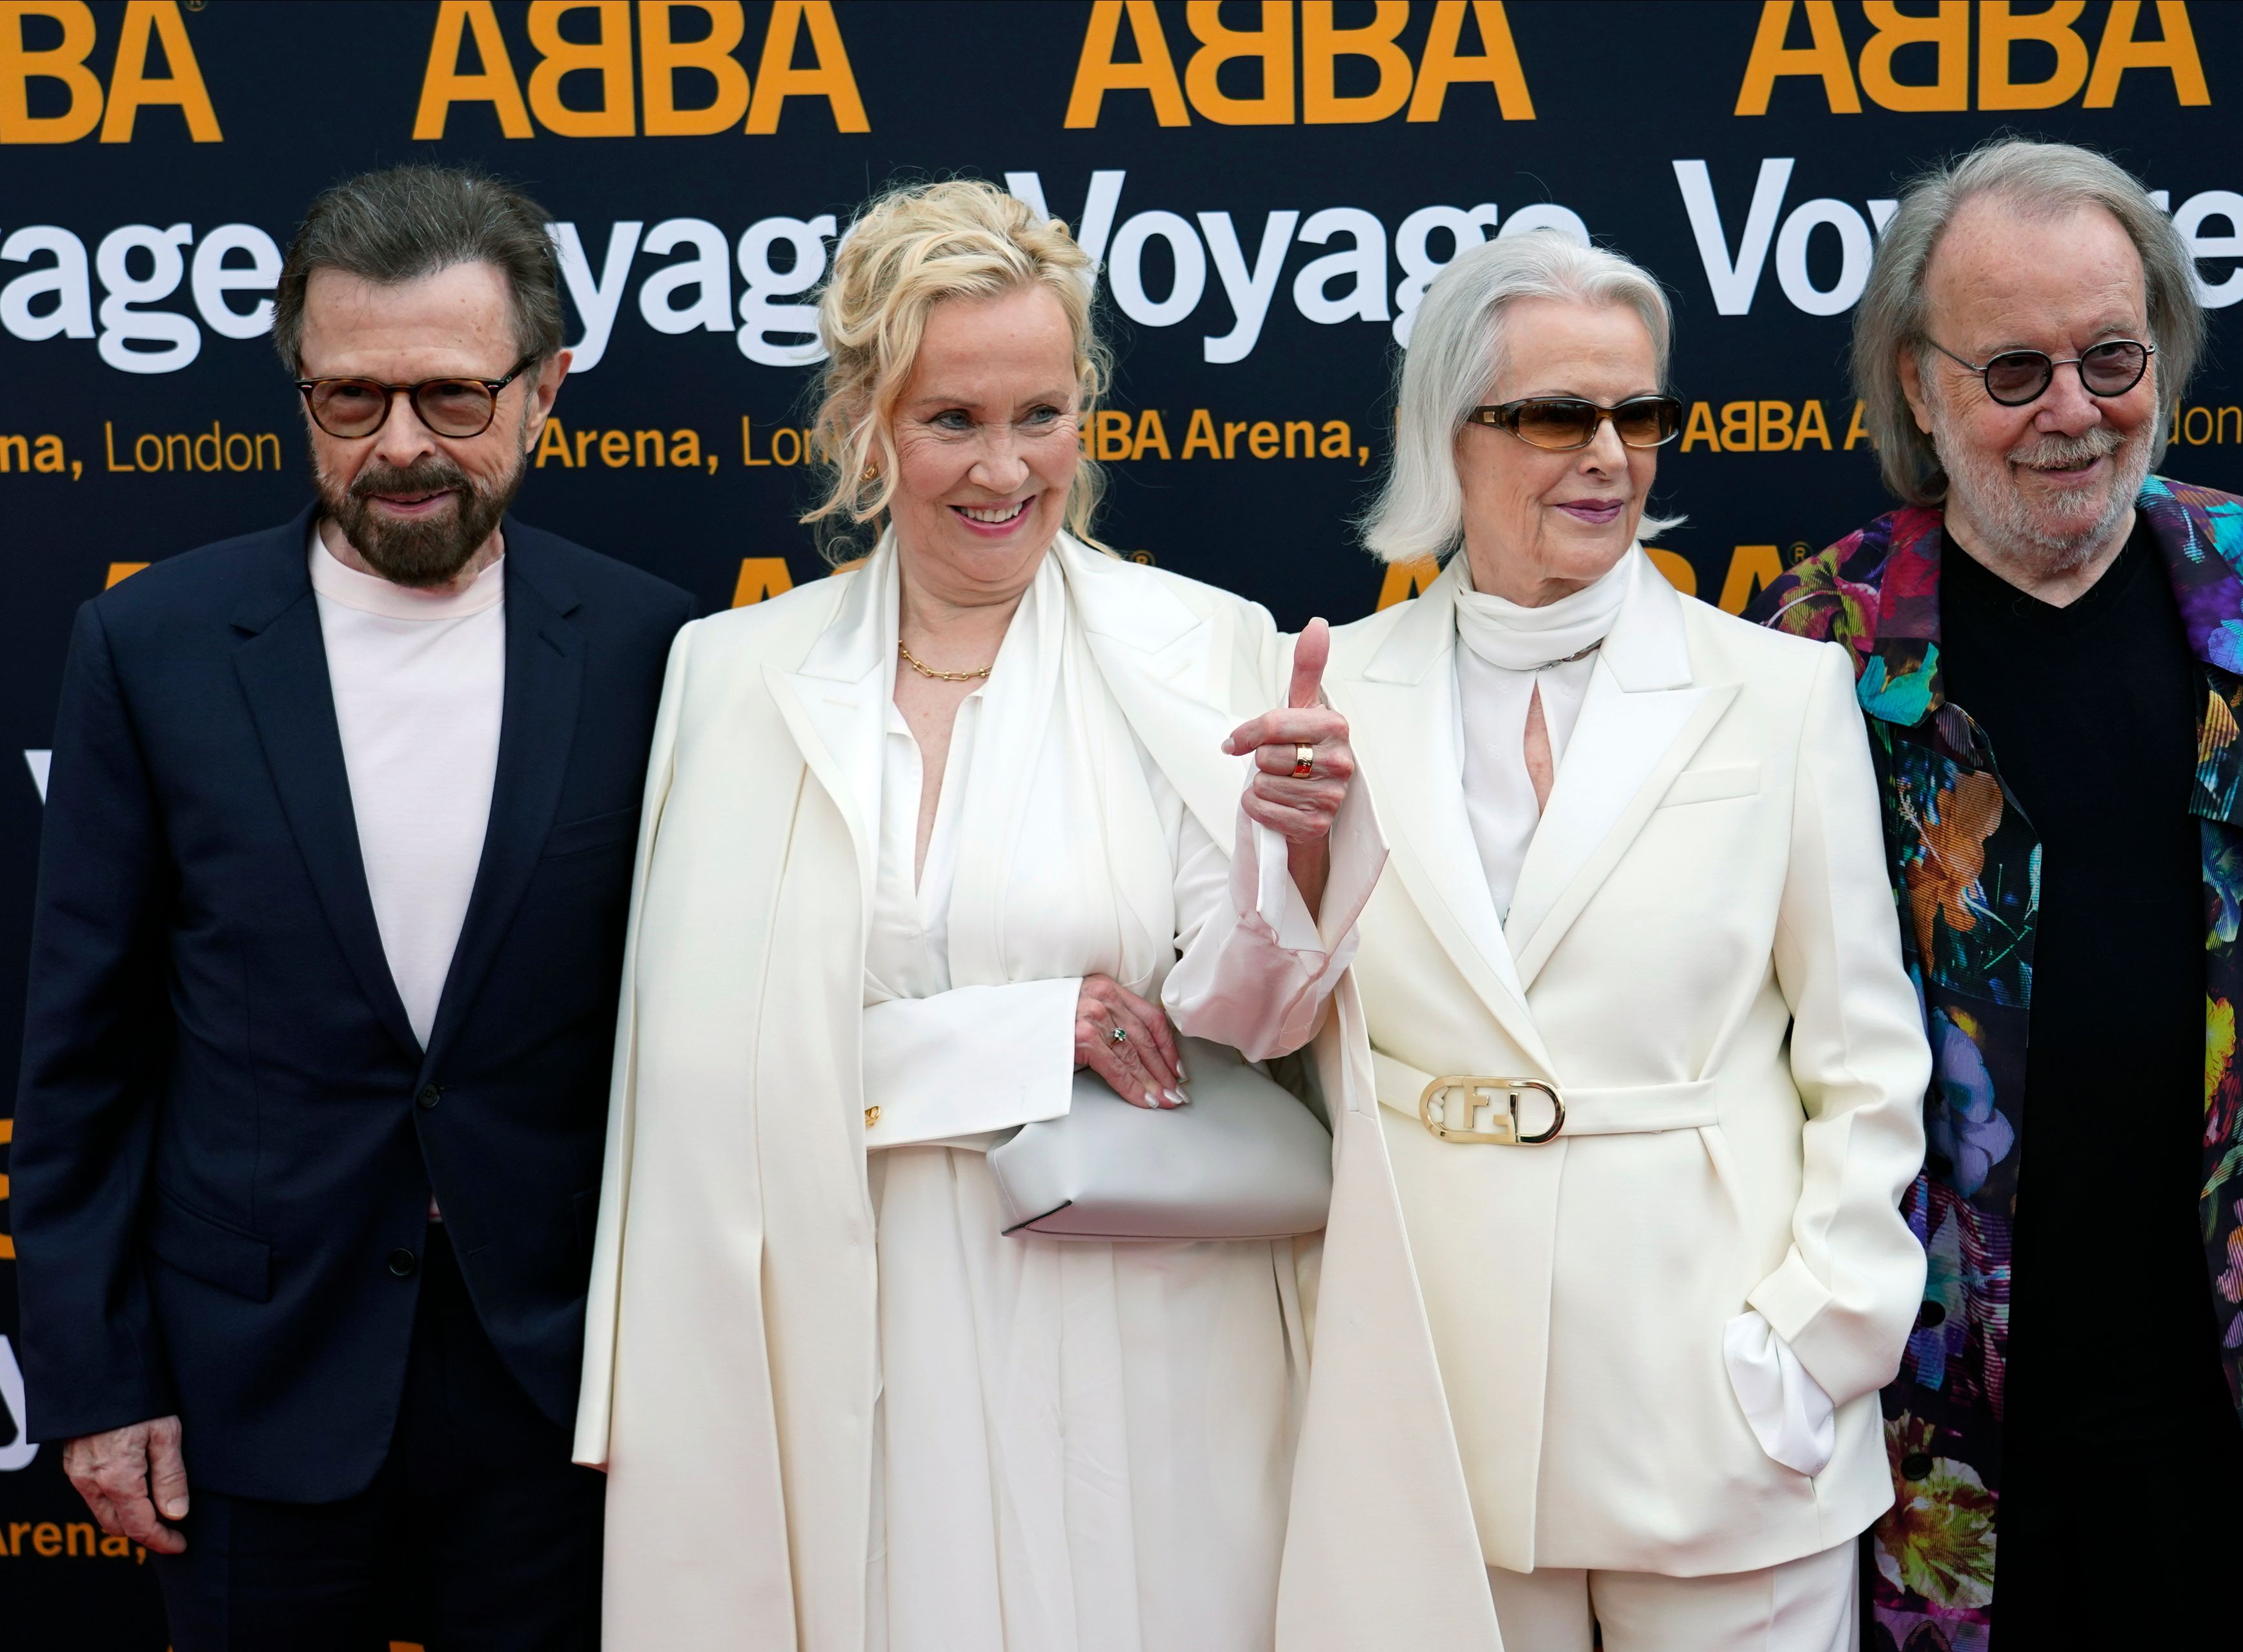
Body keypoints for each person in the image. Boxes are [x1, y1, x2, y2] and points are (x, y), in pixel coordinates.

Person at [575, 178, 1379, 1652]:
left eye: (1044, 413)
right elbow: (703, 1079)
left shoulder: (1206, 642)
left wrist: (1300, 854)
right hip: (867, 1333)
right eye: (952, 419)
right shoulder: (733, 675)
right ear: (866, 423)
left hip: (1160, 1334)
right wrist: (1025, 1032)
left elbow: (1251, 1028)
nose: (1005, 468)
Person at [1750, 137, 2243, 1651]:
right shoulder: (1815, 647)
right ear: (1916, 382)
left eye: (2111, 355)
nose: (2075, 411)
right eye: (2015, 370)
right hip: (1947, 1418)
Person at [12, 165, 695, 1649]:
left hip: (564, 1389)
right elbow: (86, 1052)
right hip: (254, 1376)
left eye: (452, 397)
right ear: (299, 387)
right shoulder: (152, 645)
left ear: (547, 387)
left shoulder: (661, 648)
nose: (401, 446)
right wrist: (96, 1376)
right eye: (349, 398)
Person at [1277, 230, 1929, 1652]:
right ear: (1451, 433)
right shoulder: (1331, 695)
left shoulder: (1779, 691)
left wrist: (1811, 1351)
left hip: (1719, 1427)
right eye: (1558, 415)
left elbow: (1866, 1059)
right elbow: (1266, 1028)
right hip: (1426, 1416)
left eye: (1638, 414)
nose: (1610, 455)